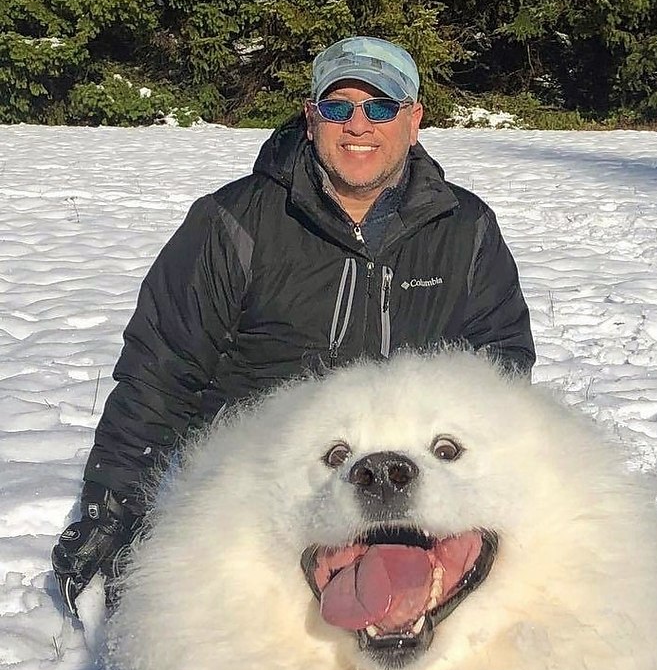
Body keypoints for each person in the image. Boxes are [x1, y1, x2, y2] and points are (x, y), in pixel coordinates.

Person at [52, 35, 535, 618]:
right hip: (273, 487)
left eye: (380, 106)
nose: (358, 125)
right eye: (338, 107)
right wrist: (114, 508)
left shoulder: (467, 229)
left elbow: (498, 373)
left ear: (413, 121)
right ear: (311, 119)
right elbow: (161, 370)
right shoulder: (232, 222)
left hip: (410, 481)